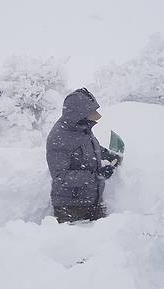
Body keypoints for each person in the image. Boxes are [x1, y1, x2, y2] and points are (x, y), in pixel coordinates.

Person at [46, 88, 120, 223]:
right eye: (91, 112)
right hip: (71, 208)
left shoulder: (81, 127)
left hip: (92, 201)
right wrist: (97, 176)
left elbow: (88, 146)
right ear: (79, 114)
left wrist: (107, 154)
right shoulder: (59, 137)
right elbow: (60, 177)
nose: (95, 115)